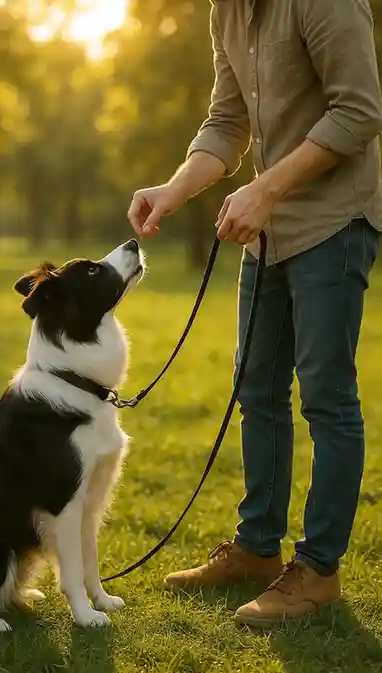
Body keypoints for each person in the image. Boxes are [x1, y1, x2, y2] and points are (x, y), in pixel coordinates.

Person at [127, 0, 382, 627]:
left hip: (333, 221)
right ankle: (256, 550)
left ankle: (318, 570)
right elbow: (227, 121)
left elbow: (360, 111)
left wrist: (265, 188)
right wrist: (175, 189)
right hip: (267, 228)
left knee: (325, 397)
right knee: (257, 390)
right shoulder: (227, 11)